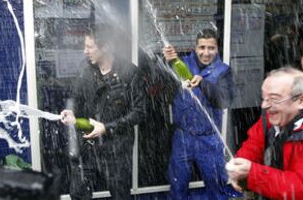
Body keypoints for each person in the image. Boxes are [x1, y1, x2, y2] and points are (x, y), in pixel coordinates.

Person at [60, 24, 147, 199]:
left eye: (89, 47)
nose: (85, 51)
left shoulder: (129, 72)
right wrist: (70, 113)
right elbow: (75, 98)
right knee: (78, 194)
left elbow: (140, 111)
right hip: (88, 147)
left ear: (105, 47)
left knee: (120, 195)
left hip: (117, 150)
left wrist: (107, 128)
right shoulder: (85, 72)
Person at [163, 28, 233, 199]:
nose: (206, 53)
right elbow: (164, 84)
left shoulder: (223, 70)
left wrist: (204, 84)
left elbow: (224, 100)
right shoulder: (182, 64)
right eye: (202, 47)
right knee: (177, 185)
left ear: (217, 49)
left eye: (211, 48)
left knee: (216, 186)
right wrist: (168, 62)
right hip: (183, 137)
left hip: (209, 139)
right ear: (195, 47)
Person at [226, 67, 303, 199]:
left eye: (274, 98)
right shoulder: (273, 117)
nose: (264, 105)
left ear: (301, 101)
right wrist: (239, 168)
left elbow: (300, 189)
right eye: (264, 98)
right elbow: (253, 145)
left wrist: (252, 173)